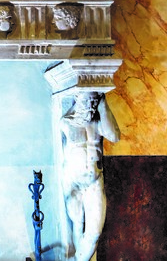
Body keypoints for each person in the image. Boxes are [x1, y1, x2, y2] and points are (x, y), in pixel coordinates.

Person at [60, 91, 120, 261]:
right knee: (77, 225)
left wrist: (103, 105)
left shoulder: (98, 123)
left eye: (94, 103)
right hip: (73, 183)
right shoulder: (65, 123)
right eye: (87, 101)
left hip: (94, 183)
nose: (90, 107)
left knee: (94, 233)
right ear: (77, 99)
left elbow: (115, 136)